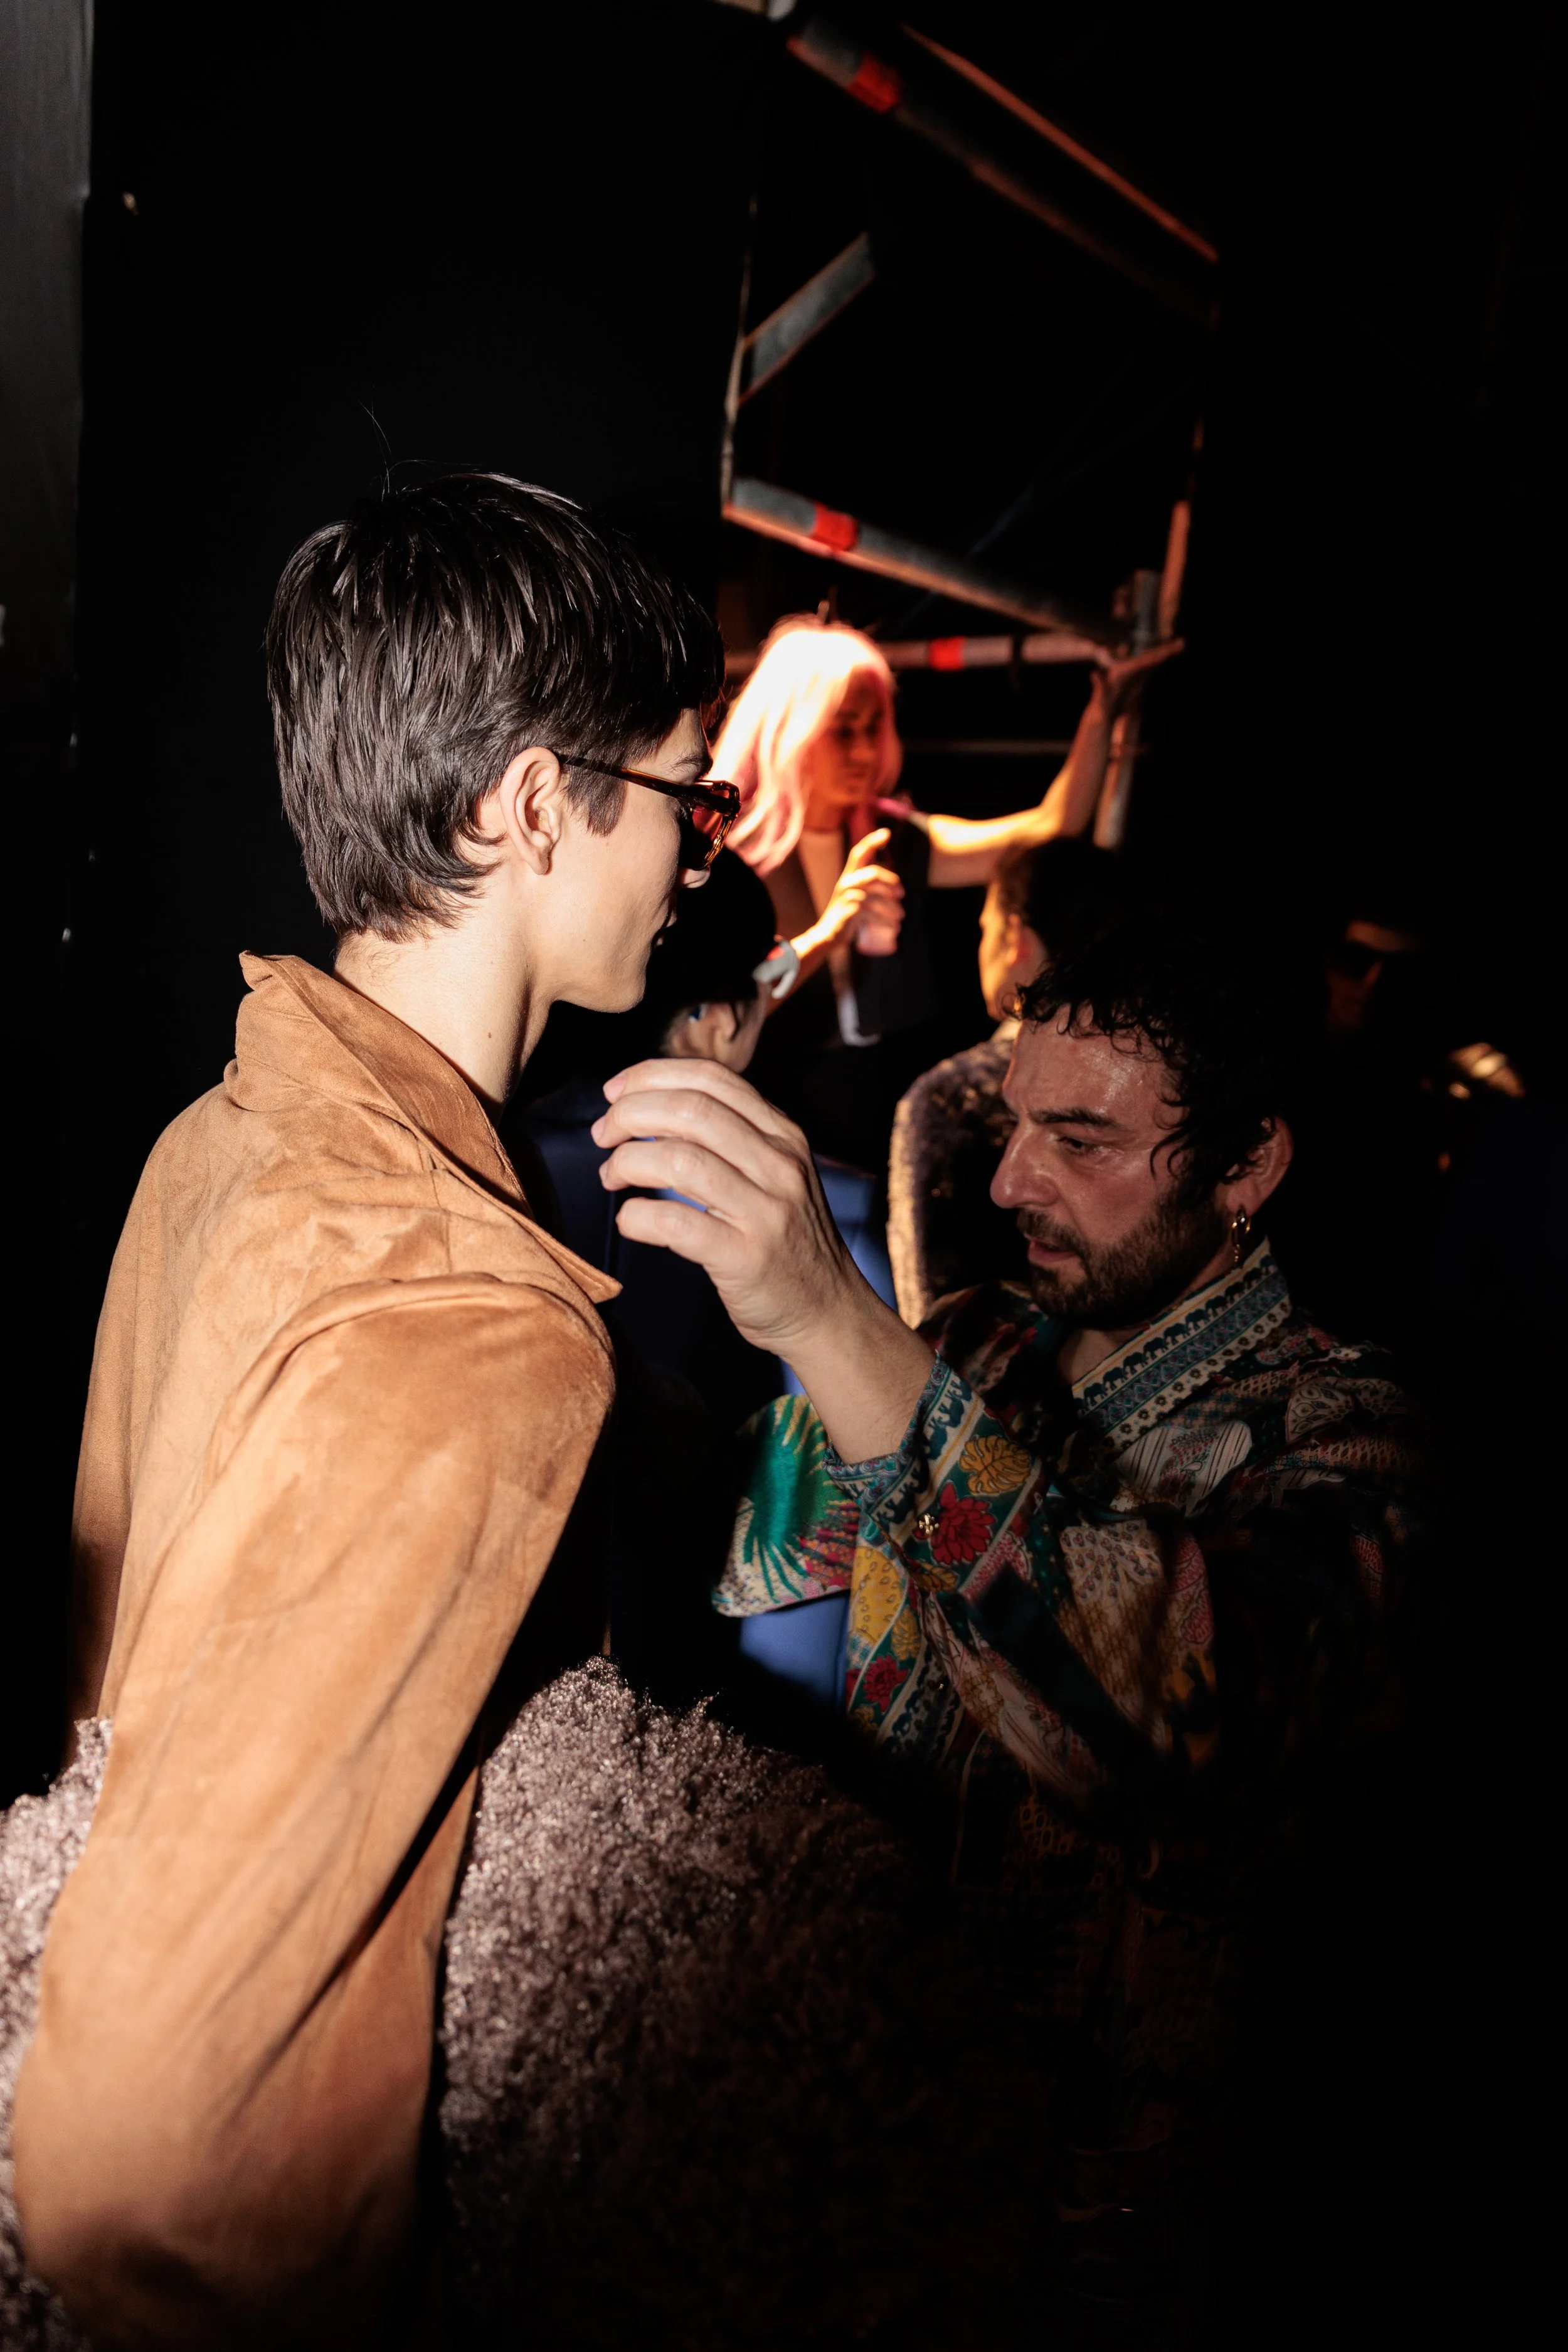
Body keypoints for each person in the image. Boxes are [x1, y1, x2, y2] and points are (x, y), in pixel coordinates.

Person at [13, 474, 727, 2348]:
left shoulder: (226, 1135)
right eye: (679, 795)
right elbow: (135, 2155)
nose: (692, 856)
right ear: (522, 801)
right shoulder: (470, 1328)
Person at [588, 913, 1433, 2136]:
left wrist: (833, 1315)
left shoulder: (1356, 1437)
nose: (1005, 1182)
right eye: (1014, 1123)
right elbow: (738, 1533)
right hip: (879, 2091)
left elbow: (1163, 1718)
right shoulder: (981, 1337)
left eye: (1078, 1140)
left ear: (1245, 1165)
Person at [715, 615, 1177, 1170]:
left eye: (874, 727)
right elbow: (725, 1007)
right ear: (791, 729)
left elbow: (1046, 829)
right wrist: (830, 930)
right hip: (775, 1126)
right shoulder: (731, 853)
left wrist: (1102, 712)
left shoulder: (896, 836)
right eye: (843, 729)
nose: (864, 750)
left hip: (881, 1128)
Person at [887, 836, 1141, 1325]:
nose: (1011, 1187)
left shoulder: (955, 1098)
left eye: (986, 928)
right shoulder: (1157, 1079)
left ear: (1015, 938)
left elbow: (932, 1310)